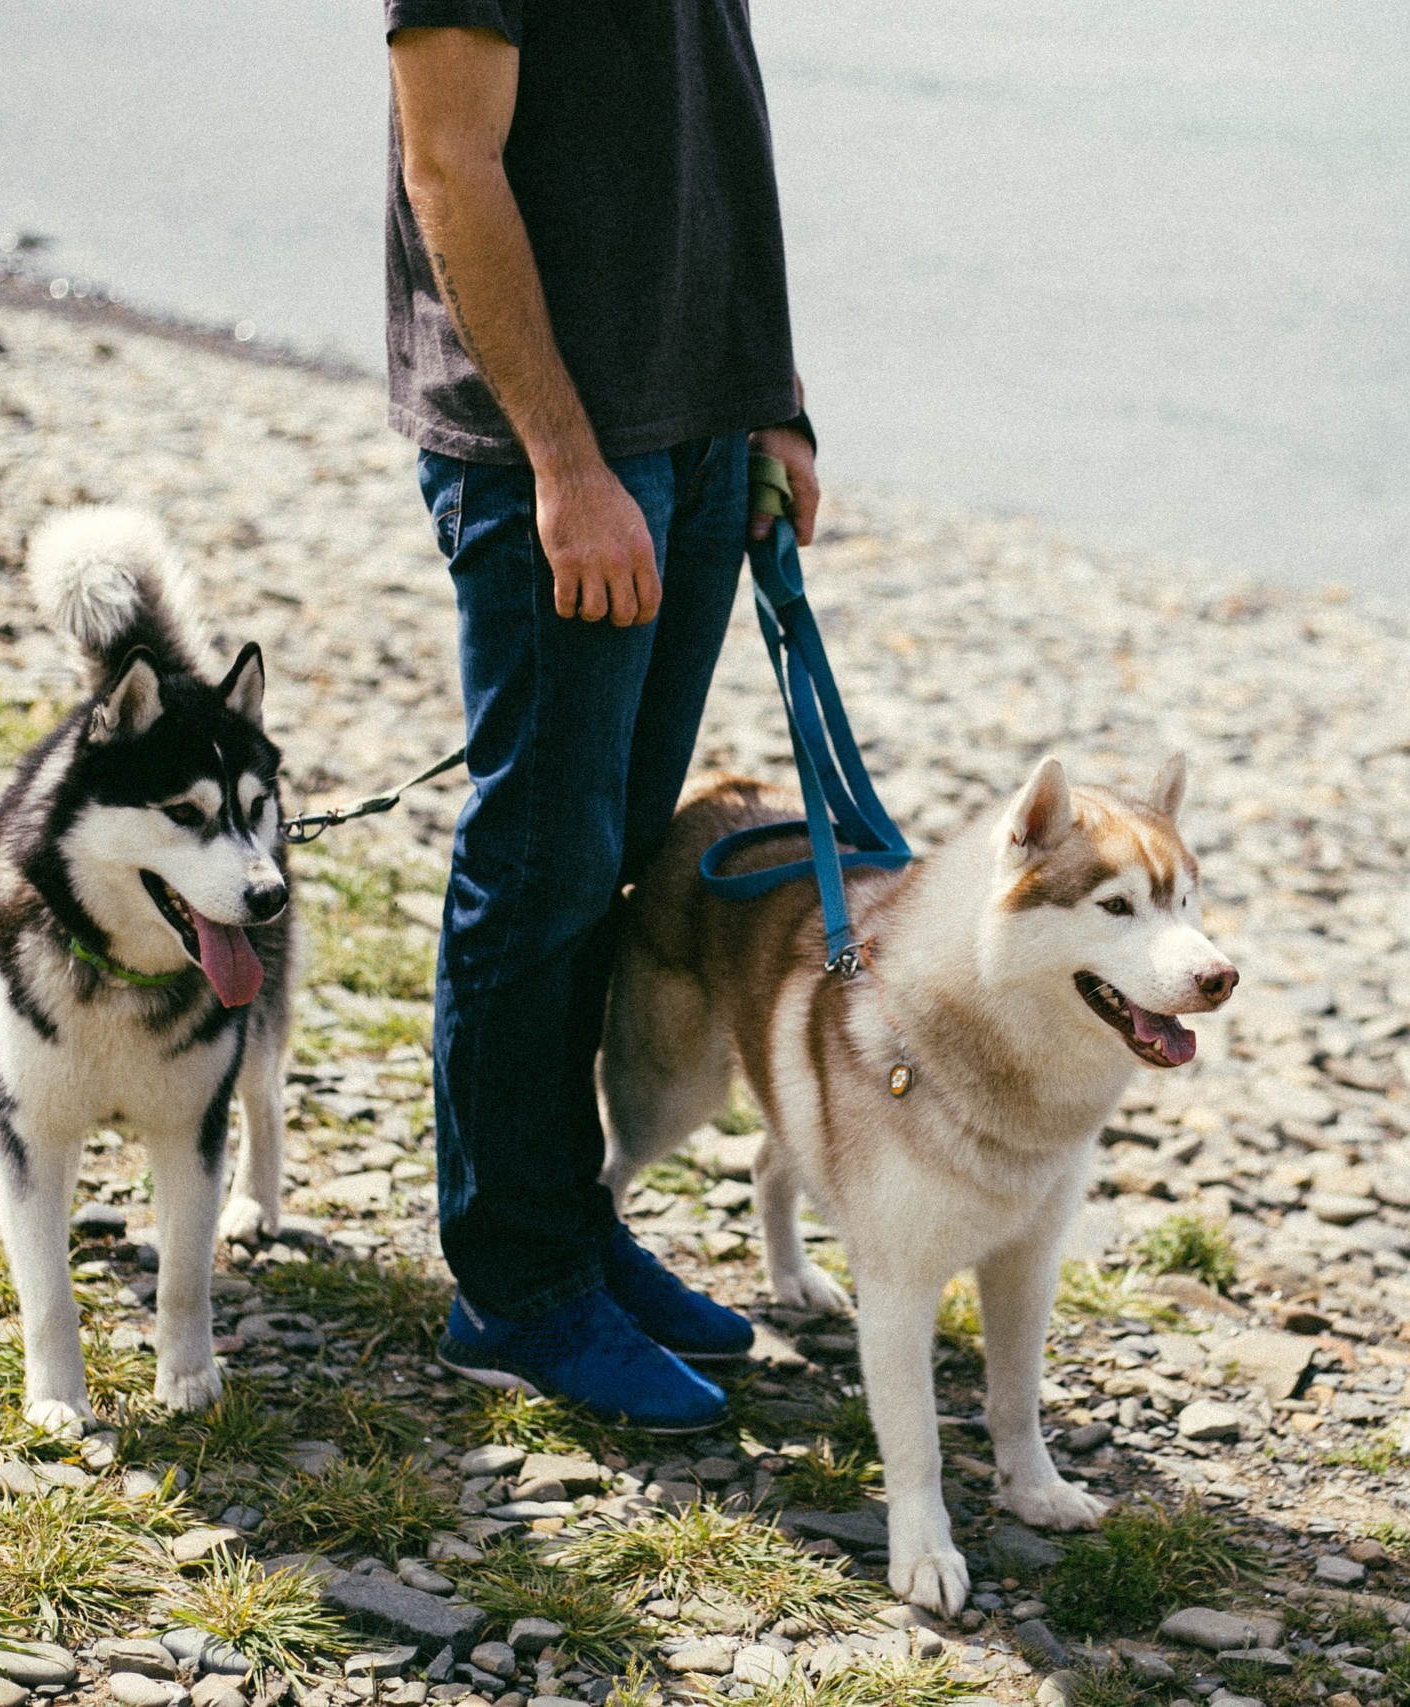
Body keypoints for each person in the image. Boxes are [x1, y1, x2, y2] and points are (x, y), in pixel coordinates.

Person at [385, 0, 820, 1431]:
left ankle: (567, 1225)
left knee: (611, 853)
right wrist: (565, 468)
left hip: (696, 429)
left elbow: (712, 128)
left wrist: (771, 398)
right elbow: (450, 161)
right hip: (560, 453)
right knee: (540, 863)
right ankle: (514, 1285)